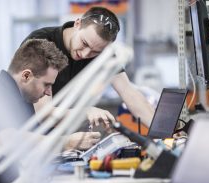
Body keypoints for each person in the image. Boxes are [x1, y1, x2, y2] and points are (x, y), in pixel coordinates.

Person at [0, 39, 101, 183]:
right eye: (47, 84)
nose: (48, 92)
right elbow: (8, 141)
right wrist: (66, 142)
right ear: (26, 76)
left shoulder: (23, 99)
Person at [22, 6, 155, 128]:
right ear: (78, 24)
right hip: (22, 130)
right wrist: (86, 111)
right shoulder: (42, 43)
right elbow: (44, 114)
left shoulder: (103, 53)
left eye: (95, 51)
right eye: (84, 43)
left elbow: (129, 93)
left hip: (57, 133)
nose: (85, 54)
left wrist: (165, 133)